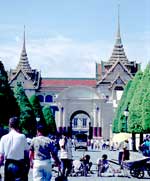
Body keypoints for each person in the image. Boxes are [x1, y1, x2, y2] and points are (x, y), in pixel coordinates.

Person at [0, 117, 29, 181]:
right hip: (19, 164)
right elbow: (27, 152)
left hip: (8, 163)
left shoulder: (3, 138)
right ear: (18, 125)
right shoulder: (22, 137)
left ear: (9, 125)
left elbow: (1, 156)